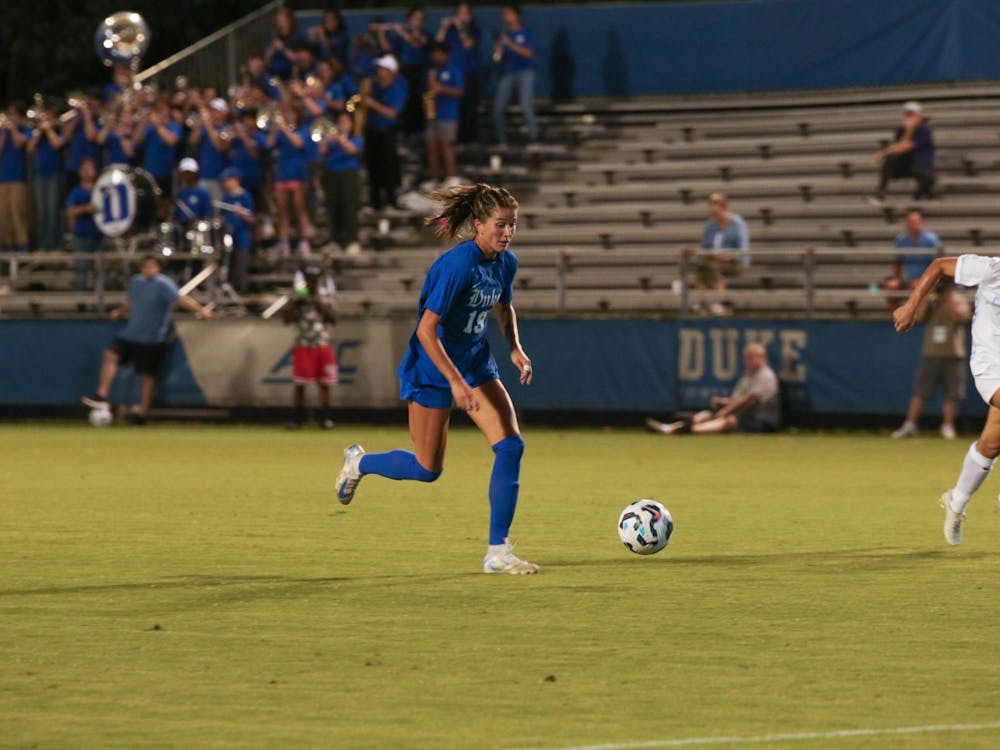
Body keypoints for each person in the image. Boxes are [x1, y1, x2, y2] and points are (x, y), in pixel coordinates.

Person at [334, 183, 538, 575]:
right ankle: (360, 462)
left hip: (475, 362)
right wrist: (456, 382)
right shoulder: (456, 265)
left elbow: (504, 306)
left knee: (511, 446)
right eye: (500, 224)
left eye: (512, 225)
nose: (507, 232)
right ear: (478, 225)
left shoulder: (505, 262)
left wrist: (514, 346)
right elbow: (427, 330)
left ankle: (498, 552)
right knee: (428, 469)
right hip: (433, 367)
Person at [892, 254, 1000, 545]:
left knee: (990, 445)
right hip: (990, 368)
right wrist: (911, 306)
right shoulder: (992, 268)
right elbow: (939, 266)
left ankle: (957, 501)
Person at [82, 255, 212, 424]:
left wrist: (200, 310)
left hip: (152, 338)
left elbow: (180, 299)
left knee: (148, 376)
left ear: (157, 268)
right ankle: (101, 395)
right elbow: (131, 302)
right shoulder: (137, 282)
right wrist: (119, 312)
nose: (149, 270)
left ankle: (142, 414)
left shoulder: (163, 284)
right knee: (111, 355)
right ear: (141, 269)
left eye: (152, 266)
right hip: (131, 334)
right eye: (145, 267)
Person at [892, 279, 970, 440]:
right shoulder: (932, 300)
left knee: (951, 393)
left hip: (952, 354)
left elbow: (958, 317)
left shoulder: (960, 300)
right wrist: (927, 295)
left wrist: (948, 296)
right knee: (920, 391)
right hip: (931, 352)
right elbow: (919, 317)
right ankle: (910, 424)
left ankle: (948, 426)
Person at [645, 343, 780, 435]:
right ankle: (671, 428)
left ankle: (691, 430)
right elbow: (738, 400)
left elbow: (749, 400)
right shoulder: (747, 376)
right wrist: (724, 402)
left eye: (750, 358)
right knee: (707, 414)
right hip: (743, 415)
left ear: (761, 358)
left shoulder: (766, 376)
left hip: (762, 422)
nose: (747, 362)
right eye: (746, 358)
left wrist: (726, 410)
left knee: (727, 420)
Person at [283, 267, 338, 429]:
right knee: (300, 384)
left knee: (324, 383)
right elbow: (286, 319)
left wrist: (318, 304)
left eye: (314, 279)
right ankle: (298, 418)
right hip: (303, 344)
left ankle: (326, 418)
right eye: (309, 279)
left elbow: (334, 318)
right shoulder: (298, 295)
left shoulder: (324, 294)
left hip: (322, 343)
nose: (312, 282)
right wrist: (296, 304)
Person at [266, 102, 313, 256]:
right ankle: (284, 241)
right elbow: (269, 145)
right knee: (282, 209)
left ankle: (304, 241)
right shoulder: (280, 131)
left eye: (292, 114)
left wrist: (284, 128)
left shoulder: (304, 130)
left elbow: (299, 143)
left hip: (298, 173)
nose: (289, 116)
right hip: (282, 173)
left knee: (299, 207)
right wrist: (274, 130)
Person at [364, 55, 408, 211]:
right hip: (372, 130)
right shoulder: (375, 86)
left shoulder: (397, 88)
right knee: (373, 167)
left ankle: (391, 200)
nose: (379, 71)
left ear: (391, 71)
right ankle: (375, 202)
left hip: (387, 132)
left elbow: (392, 113)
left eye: (382, 69)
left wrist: (373, 104)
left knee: (388, 167)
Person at [869, 101, 935, 205]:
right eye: (906, 114)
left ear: (919, 115)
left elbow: (906, 146)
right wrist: (882, 154)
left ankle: (922, 195)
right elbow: (898, 146)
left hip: (921, 165)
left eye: (911, 114)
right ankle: (880, 194)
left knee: (928, 178)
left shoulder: (924, 129)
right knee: (890, 159)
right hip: (905, 165)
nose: (908, 117)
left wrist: (882, 154)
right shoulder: (900, 129)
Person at [318, 111, 363, 255]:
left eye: (346, 122)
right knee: (332, 207)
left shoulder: (356, 138)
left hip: (348, 173)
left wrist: (341, 138)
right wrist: (325, 139)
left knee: (349, 206)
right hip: (331, 173)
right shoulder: (331, 139)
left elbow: (353, 150)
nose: (342, 124)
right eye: (340, 121)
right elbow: (322, 151)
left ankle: (352, 240)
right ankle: (335, 240)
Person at [492, 4, 538, 145]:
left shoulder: (526, 33)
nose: (506, 17)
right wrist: (499, 48)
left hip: (525, 72)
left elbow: (529, 53)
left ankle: (534, 136)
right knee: (498, 108)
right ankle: (501, 139)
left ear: (517, 15)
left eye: (509, 14)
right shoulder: (504, 35)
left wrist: (511, 44)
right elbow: (497, 58)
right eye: (504, 14)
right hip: (508, 72)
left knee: (525, 105)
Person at [437, 3, 481, 144]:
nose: (462, 16)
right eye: (460, 13)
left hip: (469, 73)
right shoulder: (450, 31)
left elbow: (468, 43)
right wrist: (444, 27)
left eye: (465, 13)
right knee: (456, 108)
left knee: (469, 107)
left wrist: (461, 27)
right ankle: (457, 138)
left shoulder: (473, 30)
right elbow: (438, 43)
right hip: (452, 74)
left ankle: (471, 138)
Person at [693, 192, 750, 292]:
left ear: (724, 206)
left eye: (715, 204)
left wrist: (731, 255)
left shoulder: (738, 224)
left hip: (735, 262)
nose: (712, 208)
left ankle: (721, 302)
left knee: (711, 266)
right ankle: (702, 303)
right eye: (711, 204)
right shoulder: (710, 226)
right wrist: (706, 254)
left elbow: (744, 249)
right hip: (714, 260)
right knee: (702, 268)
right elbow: (703, 248)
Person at [426, 41, 464, 187]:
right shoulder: (432, 72)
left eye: (438, 53)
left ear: (445, 55)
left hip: (448, 114)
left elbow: (460, 92)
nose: (435, 56)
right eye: (433, 54)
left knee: (447, 146)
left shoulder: (454, 70)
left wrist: (442, 89)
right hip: (433, 113)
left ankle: (451, 177)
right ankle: (434, 178)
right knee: (431, 146)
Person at [136, 98, 182, 218]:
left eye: (163, 109)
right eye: (158, 109)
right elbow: (137, 139)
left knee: (166, 203)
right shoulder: (150, 128)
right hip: (150, 172)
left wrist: (158, 125)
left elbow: (171, 141)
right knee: (150, 202)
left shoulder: (173, 126)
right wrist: (142, 123)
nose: (160, 112)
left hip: (166, 172)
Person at [884, 208, 941, 303]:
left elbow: (940, 262)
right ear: (906, 224)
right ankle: (895, 315)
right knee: (891, 286)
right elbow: (898, 262)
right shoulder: (901, 240)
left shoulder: (931, 240)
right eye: (911, 222)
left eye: (916, 221)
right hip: (908, 280)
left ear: (922, 222)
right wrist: (897, 279)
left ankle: (918, 317)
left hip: (928, 279)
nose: (914, 224)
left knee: (916, 286)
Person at [28, 111, 66, 251]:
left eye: (47, 118)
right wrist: (39, 131)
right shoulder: (37, 134)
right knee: (42, 212)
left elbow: (57, 144)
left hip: (55, 175)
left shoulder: (59, 132)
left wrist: (49, 129)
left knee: (53, 211)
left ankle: (56, 245)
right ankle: (43, 245)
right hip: (40, 176)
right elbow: (30, 148)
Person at [65, 158, 103, 292]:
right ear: (80, 172)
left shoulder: (101, 190)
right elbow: (70, 211)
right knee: (81, 269)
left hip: (99, 235)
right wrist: (86, 209)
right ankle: (81, 302)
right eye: (85, 169)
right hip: (82, 235)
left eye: (90, 168)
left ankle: (98, 304)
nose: (88, 172)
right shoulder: (76, 191)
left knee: (99, 270)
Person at [392, 7, 431, 138]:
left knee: (418, 101)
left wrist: (403, 33)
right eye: (414, 19)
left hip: (419, 71)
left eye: (420, 19)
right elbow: (394, 52)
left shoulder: (426, 35)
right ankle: (406, 131)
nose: (417, 22)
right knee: (405, 100)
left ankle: (418, 131)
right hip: (405, 70)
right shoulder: (400, 37)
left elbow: (418, 43)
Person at [218, 167, 255, 294]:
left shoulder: (245, 196)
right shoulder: (226, 198)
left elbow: (252, 219)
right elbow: (220, 216)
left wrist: (242, 214)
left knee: (240, 266)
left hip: (242, 237)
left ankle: (241, 291)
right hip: (228, 237)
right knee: (229, 265)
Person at [0, 108, 31, 252]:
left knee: (17, 212)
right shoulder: (2, 132)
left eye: (13, 115)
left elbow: (19, 143)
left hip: (18, 178)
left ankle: (22, 245)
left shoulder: (25, 130)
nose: (10, 118)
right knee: (3, 214)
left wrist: (12, 129)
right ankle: (8, 245)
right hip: (2, 178)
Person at [174, 158, 213, 225]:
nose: (187, 175)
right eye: (185, 173)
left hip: (198, 228)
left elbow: (208, 214)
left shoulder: (203, 192)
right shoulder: (179, 192)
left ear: (196, 173)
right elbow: (176, 214)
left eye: (190, 172)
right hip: (182, 228)